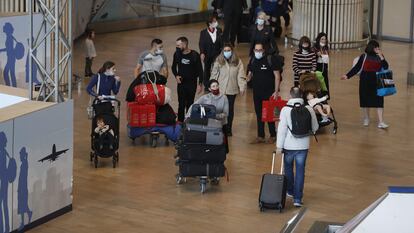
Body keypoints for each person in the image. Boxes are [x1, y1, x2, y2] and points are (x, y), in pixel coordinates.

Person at [276, 87, 319, 207]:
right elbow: (315, 127)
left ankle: (290, 190)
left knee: (288, 168)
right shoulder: (309, 109)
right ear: (302, 96)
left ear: (290, 96)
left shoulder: (285, 110)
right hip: (303, 146)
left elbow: (281, 130)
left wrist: (279, 146)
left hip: (288, 145)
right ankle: (298, 199)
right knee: (300, 171)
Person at [341, 40, 389, 129]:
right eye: (376, 48)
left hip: (377, 81)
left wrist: (382, 57)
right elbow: (356, 68)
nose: (378, 49)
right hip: (365, 81)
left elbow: (386, 67)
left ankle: (381, 122)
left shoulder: (380, 57)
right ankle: (366, 118)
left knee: (379, 102)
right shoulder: (364, 56)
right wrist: (347, 75)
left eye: (378, 48)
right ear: (371, 48)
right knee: (366, 101)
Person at [247, 43, 282, 144]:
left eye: (260, 50)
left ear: (263, 50)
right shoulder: (253, 60)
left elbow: (277, 76)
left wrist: (276, 91)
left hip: (269, 92)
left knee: (270, 113)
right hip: (257, 92)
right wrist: (248, 77)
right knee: (259, 114)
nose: (258, 52)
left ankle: (273, 135)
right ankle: (260, 136)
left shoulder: (270, 59)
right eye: (256, 50)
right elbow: (250, 72)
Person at [210, 43, 247, 136]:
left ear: (232, 51)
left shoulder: (238, 61)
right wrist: (212, 86)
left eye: (228, 50)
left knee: (229, 110)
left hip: (231, 90)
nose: (227, 52)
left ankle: (228, 129)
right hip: (220, 90)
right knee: (219, 110)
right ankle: (219, 128)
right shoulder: (218, 61)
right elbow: (214, 74)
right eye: (225, 50)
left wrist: (242, 87)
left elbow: (241, 75)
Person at [186, 79, 229, 152]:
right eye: (213, 86)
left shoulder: (224, 98)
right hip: (209, 124)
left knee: (222, 146)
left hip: (221, 124)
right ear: (209, 89)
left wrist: (214, 116)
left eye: (217, 86)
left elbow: (226, 113)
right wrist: (187, 115)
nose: (215, 88)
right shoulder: (205, 97)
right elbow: (194, 105)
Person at [172, 36, 203, 122]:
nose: (177, 47)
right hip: (181, 84)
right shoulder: (177, 54)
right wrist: (176, 76)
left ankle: (188, 121)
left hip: (192, 84)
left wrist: (200, 84)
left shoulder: (194, 55)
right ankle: (180, 123)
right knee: (181, 104)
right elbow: (173, 67)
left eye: (178, 45)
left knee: (189, 104)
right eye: (176, 45)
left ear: (185, 45)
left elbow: (200, 70)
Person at [199, 15, 223, 92]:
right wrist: (202, 53)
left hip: (217, 53)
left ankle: (218, 84)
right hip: (207, 53)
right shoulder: (203, 32)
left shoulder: (219, 30)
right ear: (210, 23)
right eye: (214, 21)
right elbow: (201, 43)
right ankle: (207, 85)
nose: (216, 23)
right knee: (207, 69)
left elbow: (222, 42)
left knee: (217, 69)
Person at [17, 147, 32, 230]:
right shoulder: (23, 164)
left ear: (23, 155)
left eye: (20, 155)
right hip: (21, 188)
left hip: (23, 188)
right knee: (23, 205)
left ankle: (22, 223)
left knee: (22, 206)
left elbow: (22, 178)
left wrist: (20, 188)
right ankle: (29, 214)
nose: (19, 157)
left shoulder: (25, 163)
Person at [313, 32, 330, 96]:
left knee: (325, 82)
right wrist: (317, 55)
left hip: (325, 67)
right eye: (322, 39)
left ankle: (325, 96)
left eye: (325, 39)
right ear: (319, 39)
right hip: (318, 66)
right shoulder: (315, 48)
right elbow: (312, 58)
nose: (324, 41)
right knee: (318, 81)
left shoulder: (326, 48)